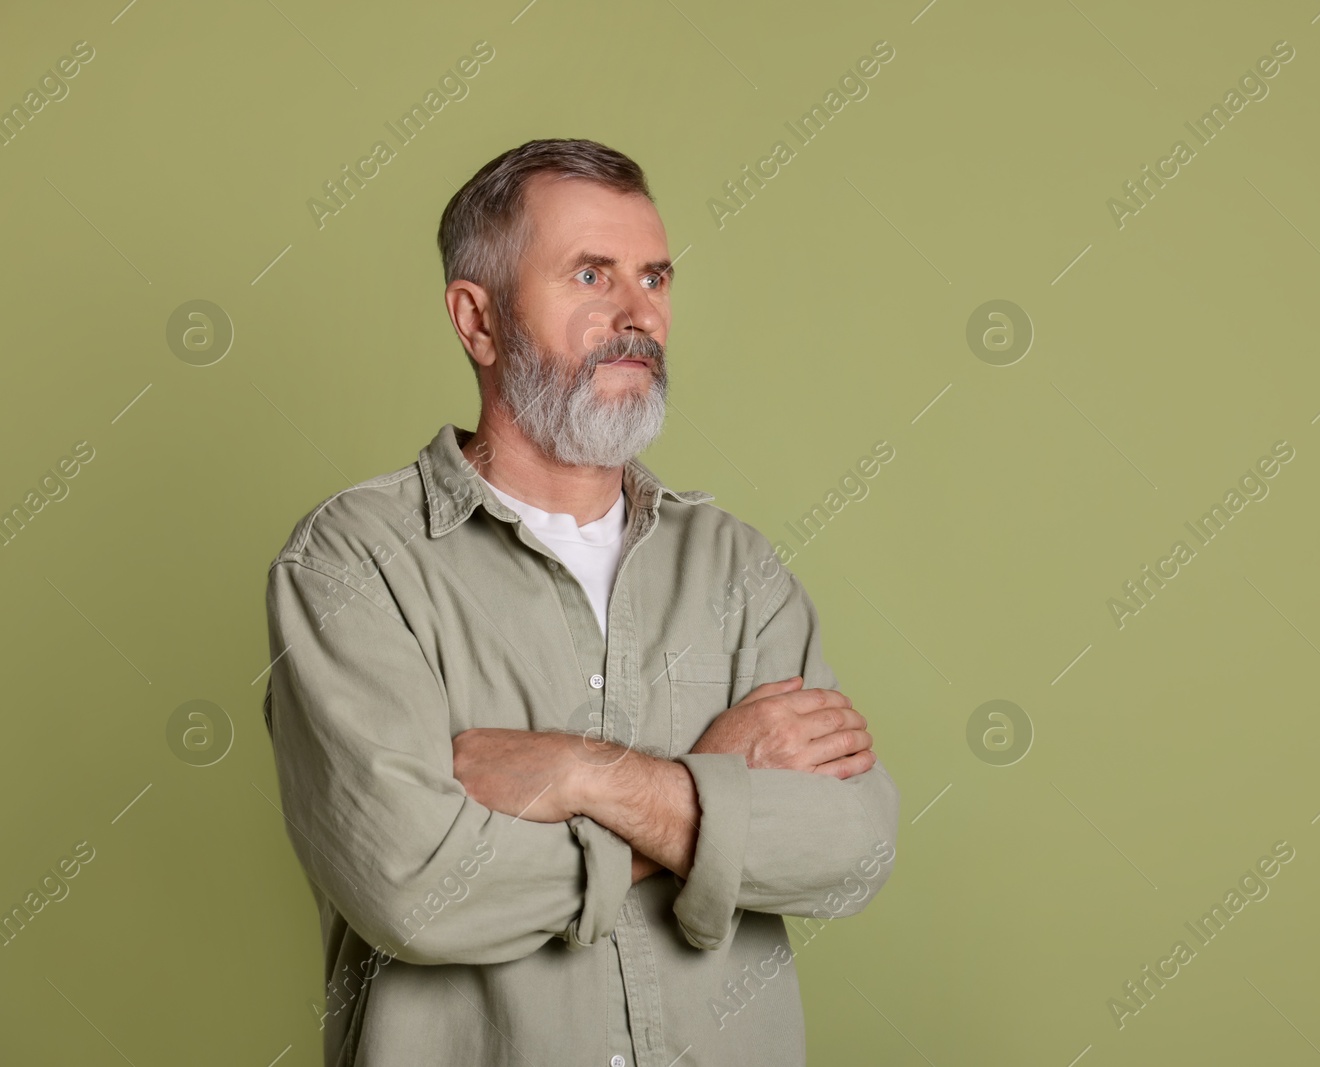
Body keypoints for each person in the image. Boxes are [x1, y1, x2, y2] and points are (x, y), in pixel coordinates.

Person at [261, 137, 900, 1066]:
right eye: (590, 275)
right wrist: (708, 790)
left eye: (655, 277)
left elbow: (851, 848)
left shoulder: (738, 569)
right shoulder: (353, 562)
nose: (636, 314)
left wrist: (579, 773)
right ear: (477, 320)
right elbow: (418, 887)